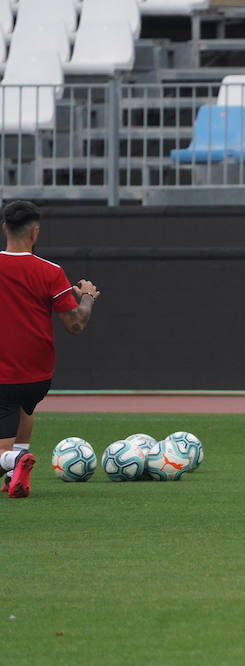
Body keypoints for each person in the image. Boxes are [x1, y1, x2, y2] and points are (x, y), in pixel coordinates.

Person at [0, 201, 99, 498]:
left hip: (3, 371)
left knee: (3, 447)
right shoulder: (52, 272)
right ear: (35, 232)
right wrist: (88, 298)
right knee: (24, 407)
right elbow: (75, 325)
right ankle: (14, 474)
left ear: (5, 228)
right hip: (38, 374)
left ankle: (15, 461)